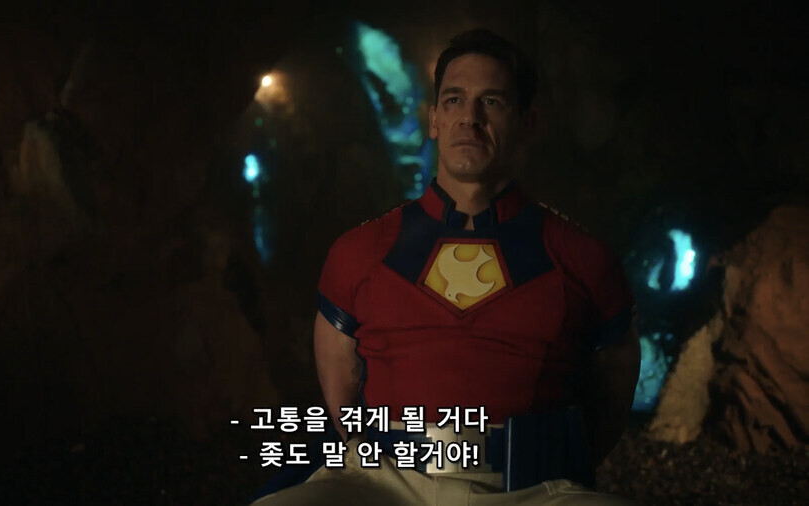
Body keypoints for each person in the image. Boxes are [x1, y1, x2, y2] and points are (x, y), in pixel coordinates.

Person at [253, 28, 640, 505]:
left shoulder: (585, 260)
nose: (469, 118)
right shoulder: (358, 252)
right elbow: (342, 403)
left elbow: (612, 400)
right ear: (434, 118)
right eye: (454, 100)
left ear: (528, 122)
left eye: (491, 102)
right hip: (380, 481)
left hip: (532, 488)